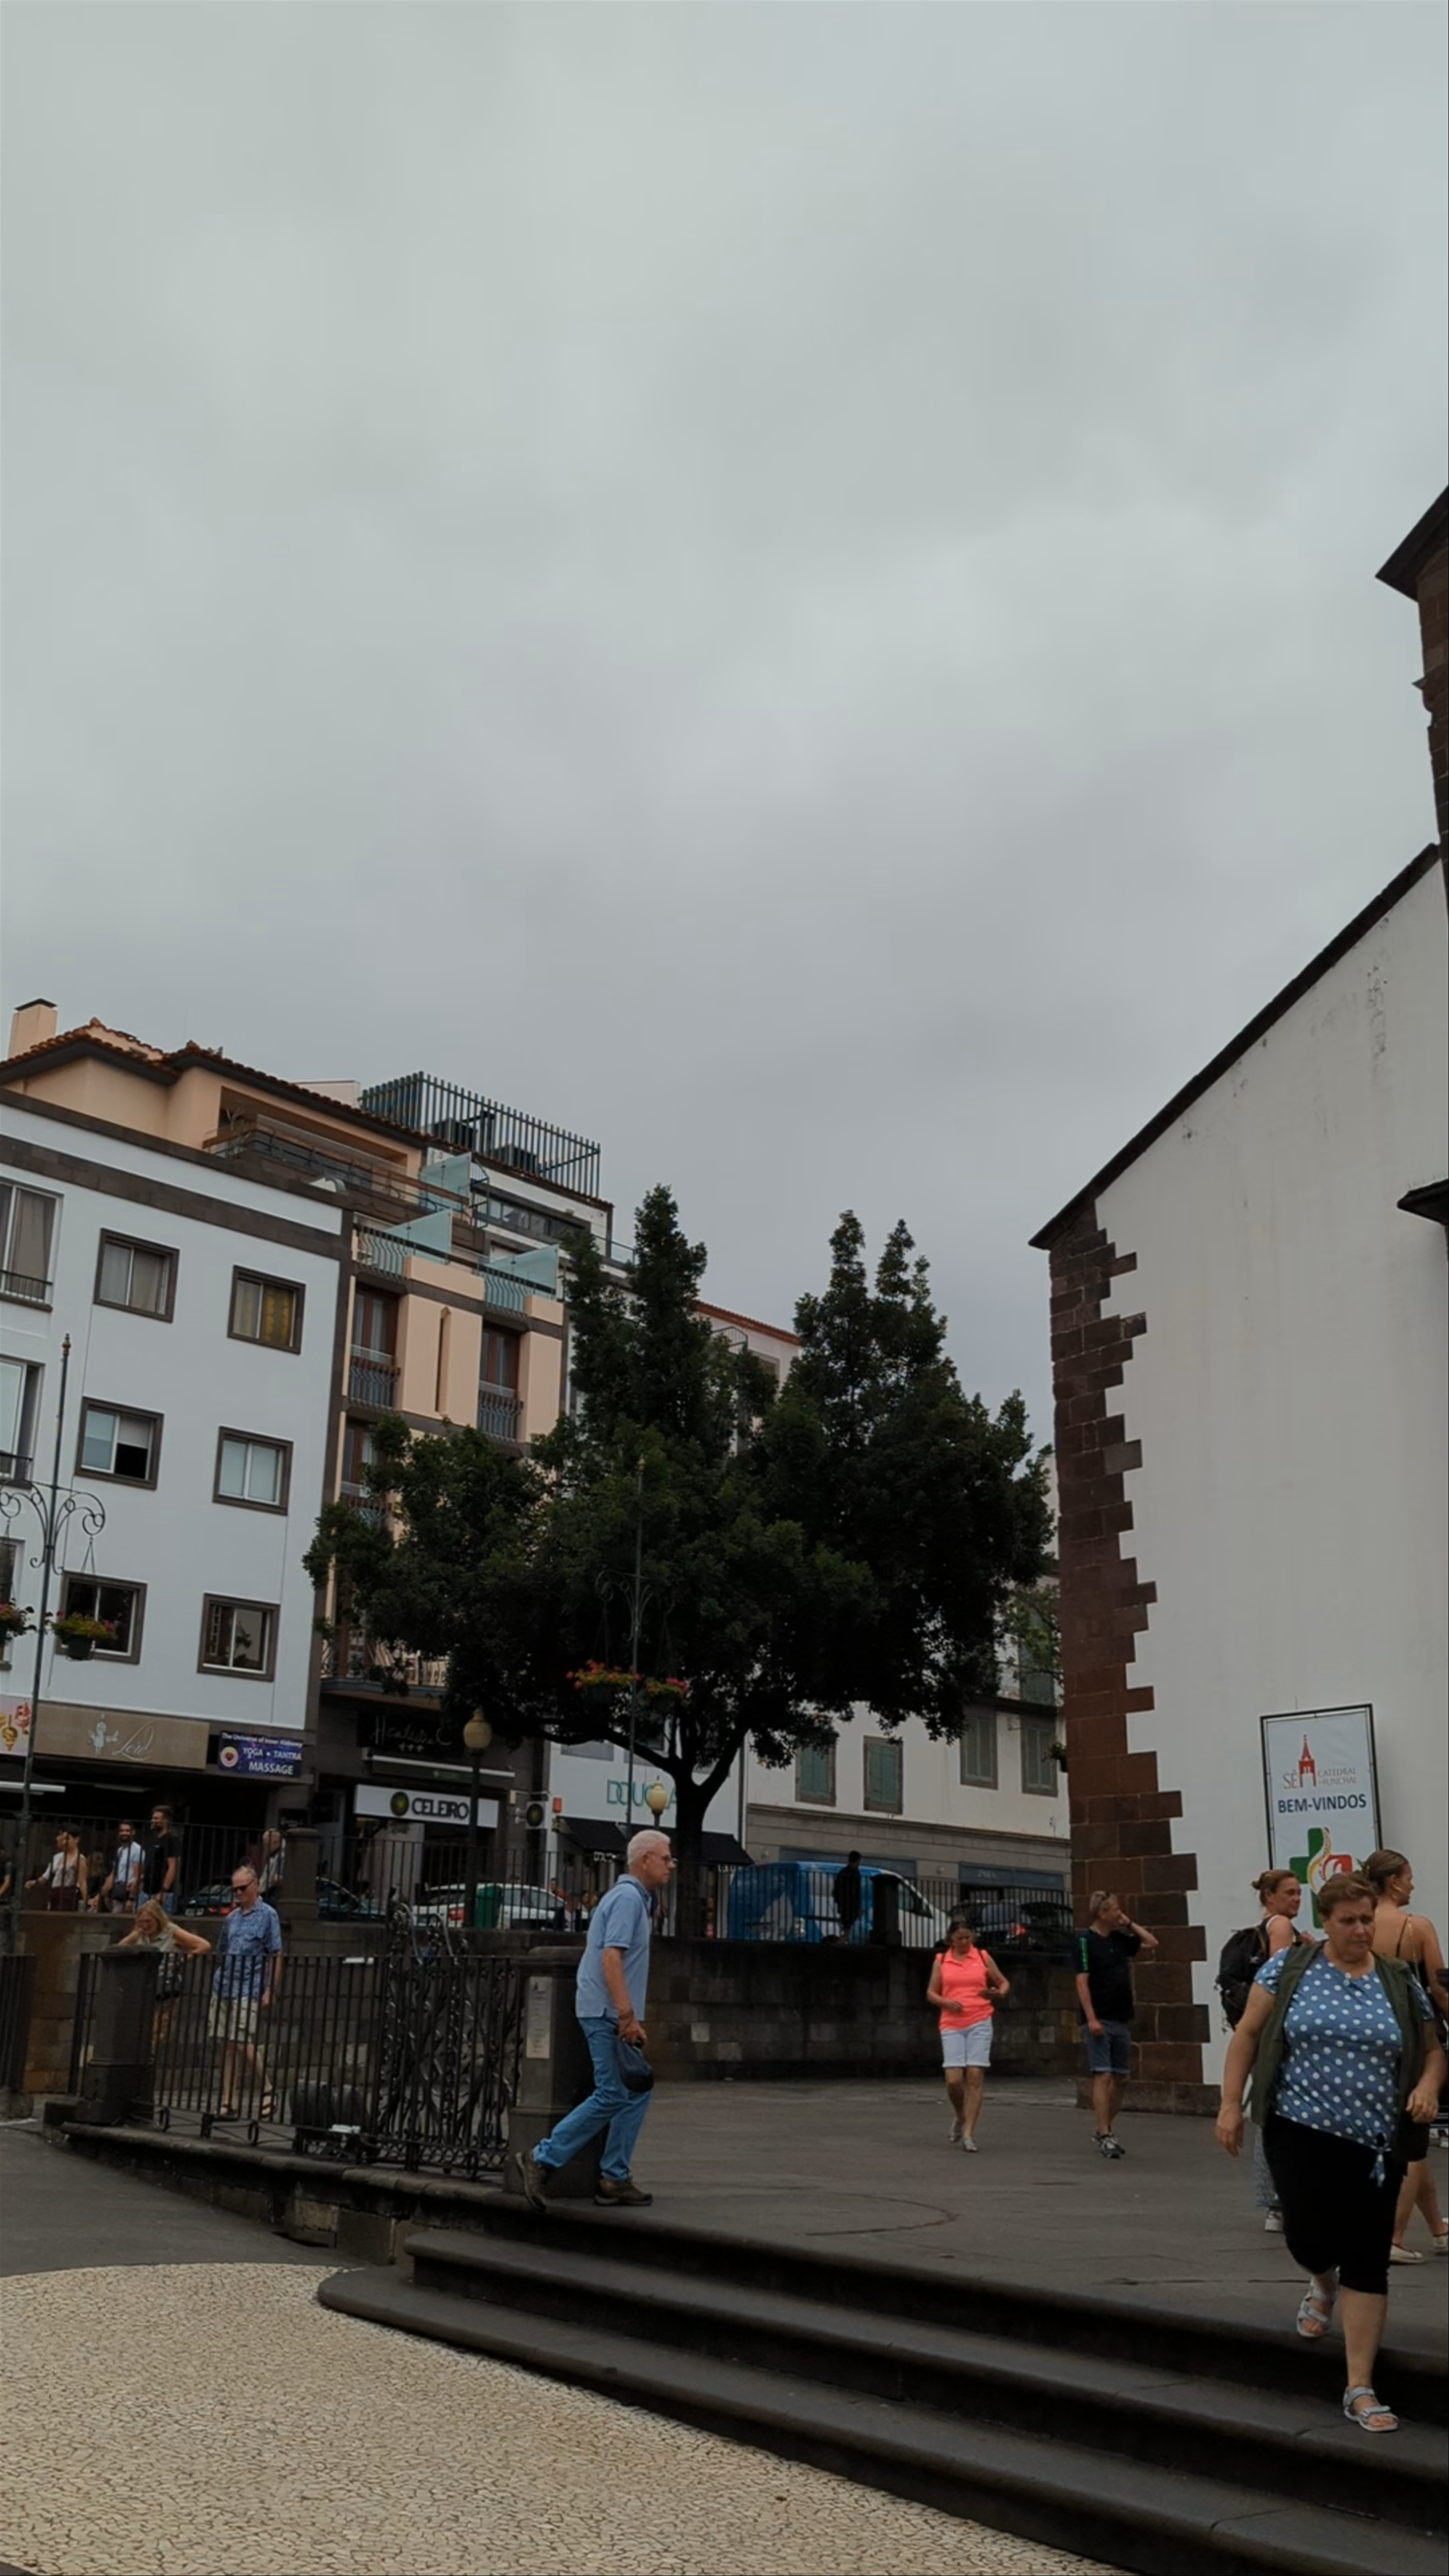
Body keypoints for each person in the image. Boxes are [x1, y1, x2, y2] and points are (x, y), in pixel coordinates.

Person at [1216, 1871, 1445, 2436]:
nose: (1361, 1929)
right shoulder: (1290, 1968)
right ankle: (1322, 2281)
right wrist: (1229, 2104)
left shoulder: (1397, 1979)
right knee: (1307, 2237)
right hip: (1299, 2129)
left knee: (1368, 2258)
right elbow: (1248, 2034)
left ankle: (1359, 2385)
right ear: (1326, 1921)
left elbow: (1434, 2050)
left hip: (1377, 2142)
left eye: (1367, 1919)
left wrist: (1427, 2086)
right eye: (1349, 1920)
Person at [514, 1829, 675, 2210]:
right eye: (666, 1857)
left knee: (636, 2088)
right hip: (606, 2011)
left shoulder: (633, 1898)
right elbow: (610, 1957)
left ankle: (614, 2176)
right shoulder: (628, 1899)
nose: (671, 1865)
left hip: (605, 2008)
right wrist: (626, 2014)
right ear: (644, 1860)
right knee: (614, 2092)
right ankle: (541, 2156)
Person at [1362, 1848, 1449, 2263]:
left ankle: (1438, 2229)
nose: (1413, 1884)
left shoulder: (1362, 1925)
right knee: (1412, 2140)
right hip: (1415, 2037)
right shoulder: (1416, 1927)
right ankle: (1393, 2236)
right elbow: (1441, 1988)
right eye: (1409, 1876)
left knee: (1411, 2134)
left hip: (1372, 2036)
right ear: (1394, 1881)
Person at [1234, 1870, 1315, 2233]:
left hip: (1267, 2035)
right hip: (1278, 2036)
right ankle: (1280, 2200)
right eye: (1290, 1893)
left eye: (1299, 1893)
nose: (1297, 1899)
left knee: (1272, 2110)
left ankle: (1277, 2202)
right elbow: (1283, 1977)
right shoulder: (1281, 1925)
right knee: (1281, 2112)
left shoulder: (1268, 1927)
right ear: (1270, 1896)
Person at [1074, 1889, 1159, 2158]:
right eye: (1115, 1910)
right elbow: (1082, 1981)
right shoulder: (1086, 1941)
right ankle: (1105, 2133)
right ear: (1102, 1913)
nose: (1119, 1913)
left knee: (1122, 2077)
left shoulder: (1119, 1939)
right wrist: (1091, 2018)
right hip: (1100, 2017)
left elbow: (1151, 1942)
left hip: (1121, 2016)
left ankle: (1105, 2127)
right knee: (1104, 2074)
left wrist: (1129, 1923)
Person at [926, 1915, 1011, 2152]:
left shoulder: (982, 1957)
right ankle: (961, 2115)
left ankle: (969, 2133)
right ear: (951, 1939)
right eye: (960, 1939)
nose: (964, 1943)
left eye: (968, 1938)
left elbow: (1003, 1983)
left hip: (980, 2019)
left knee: (975, 2075)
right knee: (954, 2080)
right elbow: (931, 1993)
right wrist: (946, 2002)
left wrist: (998, 1993)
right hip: (952, 2023)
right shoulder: (942, 1961)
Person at [208, 1864, 283, 2119]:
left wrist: (270, 1989)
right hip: (225, 1984)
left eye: (243, 1888)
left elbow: (276, 1953)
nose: (239, 1893)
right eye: (236, 1889)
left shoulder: (268, 1915)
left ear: (255, 1885)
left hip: (249, 1986)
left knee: (242, 2041)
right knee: (228, 2044)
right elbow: (223, 1948)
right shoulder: (232, 1918)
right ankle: (228, 2101)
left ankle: (268, 2087)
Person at [118, 1895, 211, 2049]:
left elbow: (203, 1945)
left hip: (164, 1987)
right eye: (142, 1922)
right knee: (139, 2028)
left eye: (149, 1922)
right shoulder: (140, 1933)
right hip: (144, 1986)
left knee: (157, 2030)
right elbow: (120, 1948)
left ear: (158, 1920)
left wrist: (182, 1961)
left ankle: (149, 2057)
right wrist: (136, 1935)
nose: (145, 1926)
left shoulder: (171, 1932)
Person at [28, 1827, 86, 1912]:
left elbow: (83, 1882)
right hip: (54, 1893)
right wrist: (34, 1883)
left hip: (69, 1894)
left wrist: (86, 1901)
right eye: (63, 1839)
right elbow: (45, 1877)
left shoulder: (79, 1859)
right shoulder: (57, 1857)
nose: (65, 1842)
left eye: (68, 1839)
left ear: (76, 1840)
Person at [98, 1820, 145, 1914]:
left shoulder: (137, 1850)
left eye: (128, 1831)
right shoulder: (120, 1851)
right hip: (117, 1890)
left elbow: (138, 1876)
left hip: (127, 1891)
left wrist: (131, 1898)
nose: (124, 1833)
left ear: (133, 1833)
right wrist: (100, 1895)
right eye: (122, 1831)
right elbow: (114, 1874)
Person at [143, 1805, 180, 1914]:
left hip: (161, 1891)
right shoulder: (153, 1839)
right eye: (153, 1818)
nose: (153, 1821)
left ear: (165, 1821)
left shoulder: (171, 1840)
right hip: (147, 1890)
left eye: (156, 1819)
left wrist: (164, 1890)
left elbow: (173, 1866)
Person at [833, 1852, 863, 1942]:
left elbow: (836, 1891)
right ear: (857, 1861)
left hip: (844, 1906)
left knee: (847, 1929)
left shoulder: (842, 1873)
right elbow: (856, 1893)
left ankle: (841, 1942)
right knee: (849, 1931)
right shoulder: (856, 1874)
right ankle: (840, 1943)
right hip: (852, 1907)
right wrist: (858, 1907)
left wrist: (839, 1904)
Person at [257, 1828, 285, 1899]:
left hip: (272, 1894)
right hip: (267, 1892)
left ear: (276, 1842)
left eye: (268, 1844)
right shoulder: (273, 1856)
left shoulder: (281, 1856)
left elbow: (279, 1878)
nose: (267, 1847)